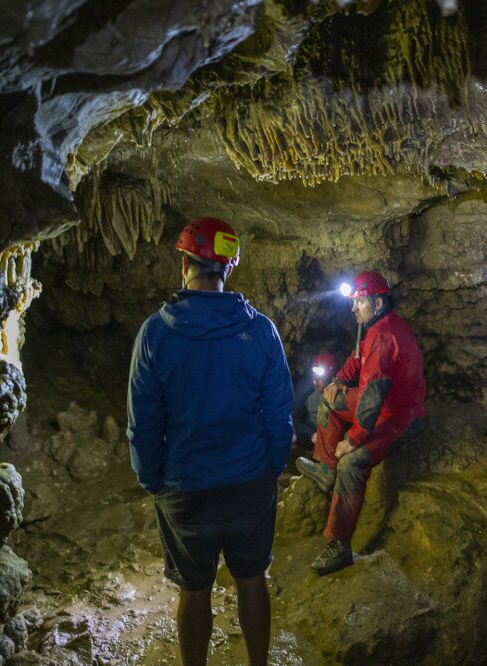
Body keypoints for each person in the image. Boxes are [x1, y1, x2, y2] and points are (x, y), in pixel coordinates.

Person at [127, 217, 293, 666]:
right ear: (229, 267)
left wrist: (152, 480)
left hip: (186, 488)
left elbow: (144, 421)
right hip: (248, 484)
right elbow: (279, 413)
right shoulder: (260, 331)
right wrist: (270, 468)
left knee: (194, 587)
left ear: (185, 263)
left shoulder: (155, 334)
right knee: (252, 578)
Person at [295, 271, 426, 575]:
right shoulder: (374, 328)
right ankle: (325, 470)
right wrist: (339, 380)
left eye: (360, 303)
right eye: (352, 303)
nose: (353, 309)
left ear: (378, 302)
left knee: (352, 463)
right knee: (329, 398)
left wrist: (352, 440)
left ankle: (340, 546)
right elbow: (357, 358)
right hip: (381, 406)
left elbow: (371, 398)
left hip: (400, 417)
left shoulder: (385, 336)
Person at [292, 353, 338, 448]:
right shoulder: (305, 389)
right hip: (310, 434)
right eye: (314, 377)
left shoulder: (341, 390)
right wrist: (312, 433)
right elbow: (294, 416)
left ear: (331, 378)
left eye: (321, 379)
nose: (316, 382)